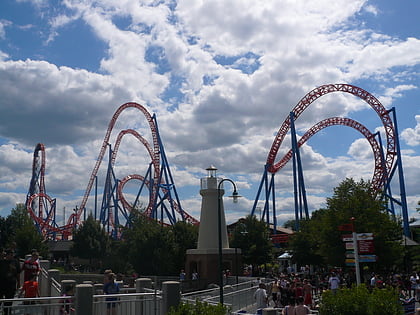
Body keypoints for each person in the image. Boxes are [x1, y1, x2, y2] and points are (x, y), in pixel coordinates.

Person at [0, 249, 21, 315]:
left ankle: (7, 313)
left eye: (13, 254)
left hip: (11, 285)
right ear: (7, 255)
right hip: (1, 284)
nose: (12, 256)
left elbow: (18, 273)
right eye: (10, 254)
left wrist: (19, 283)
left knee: (9, 302)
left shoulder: (15, 262)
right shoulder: (1, 262)